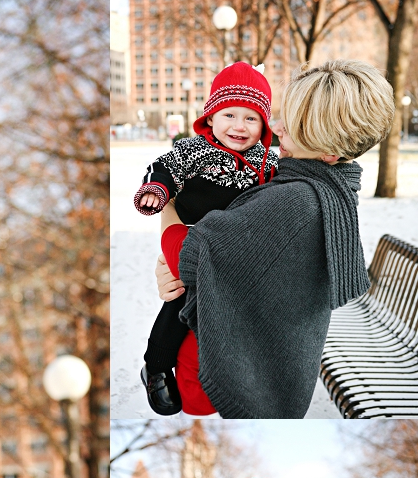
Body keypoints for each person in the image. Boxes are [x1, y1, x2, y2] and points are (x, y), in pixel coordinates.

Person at [154, 59, 396, 418]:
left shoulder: (294, 201)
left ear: (329, 152)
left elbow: (192, 253)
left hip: (228, 365)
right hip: (261, 344)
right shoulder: (332, 188)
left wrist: (168, 206)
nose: (276, 127)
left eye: (294, 125)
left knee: (195, 407)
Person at [134, 62, 278, 415]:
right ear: (211, 117)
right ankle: (155, 365)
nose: (239, 127)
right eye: (230, 115)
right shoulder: (195, 151)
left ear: (264, 125)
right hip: (194, 241)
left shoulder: (268, 163)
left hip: (236, 254)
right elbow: (163, 168)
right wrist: (157, 190)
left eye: (251, 118)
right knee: (178, 304)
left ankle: (225, 376)